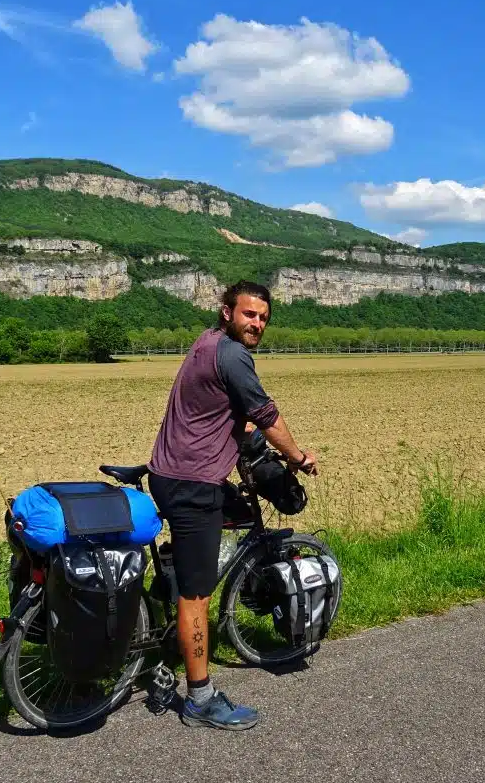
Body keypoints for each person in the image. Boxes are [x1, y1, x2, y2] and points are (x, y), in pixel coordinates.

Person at [147, 279, 319, 731]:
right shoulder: (234, 355)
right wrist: (297, 458)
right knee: (197, 595)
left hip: (168, 473)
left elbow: (224, 410)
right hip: (193, 483)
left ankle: (164, 627)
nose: (257, 323)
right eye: (249, 314)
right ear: (227, 312)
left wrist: (241, 434)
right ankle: (200, 698)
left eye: (263, 318)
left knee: (195, 558)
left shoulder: (206, 343)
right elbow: (267, 415)